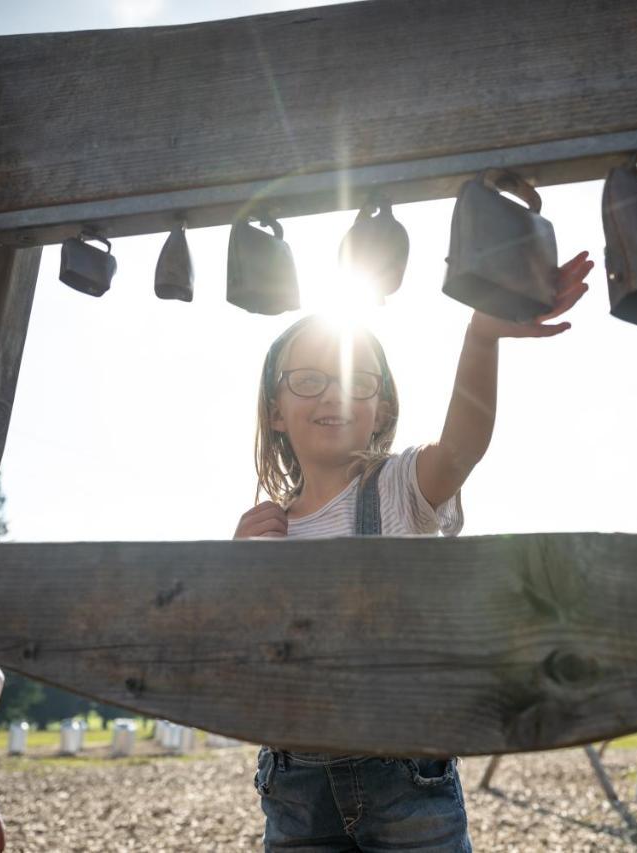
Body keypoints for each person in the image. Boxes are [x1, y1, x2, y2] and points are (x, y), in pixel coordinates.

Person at [234, 250, 592, 852]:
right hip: (295, 782)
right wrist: (237, 576)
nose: (334, 395)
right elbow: (249, 660)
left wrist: (481, 337)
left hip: (405, 774)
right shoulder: (265, 531)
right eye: (308, 380)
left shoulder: (399, 489)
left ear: (381, 410)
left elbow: (462, 446)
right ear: (274, 410)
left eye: (357, 380)